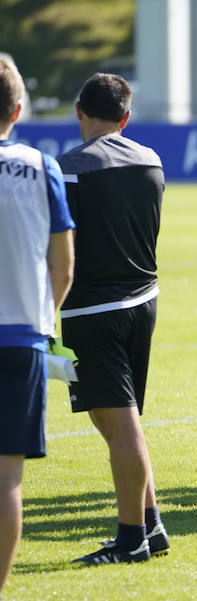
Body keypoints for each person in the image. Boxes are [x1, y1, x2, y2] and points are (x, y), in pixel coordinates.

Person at [55, 73, 168, 565]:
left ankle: (130, 541)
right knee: (118, 420)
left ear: (79, 111)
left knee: (119, 425)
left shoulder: (68, 168)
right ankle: (151, 524)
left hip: (92, 310)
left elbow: (58, 246)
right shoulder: (151, 160)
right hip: (143, 301)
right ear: (126, 117)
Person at [0, 58, 74, 593]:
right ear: (18, 110)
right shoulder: (40, 165)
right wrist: (44, 321)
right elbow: (64, 266)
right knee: (8, 479)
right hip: (23, 336)